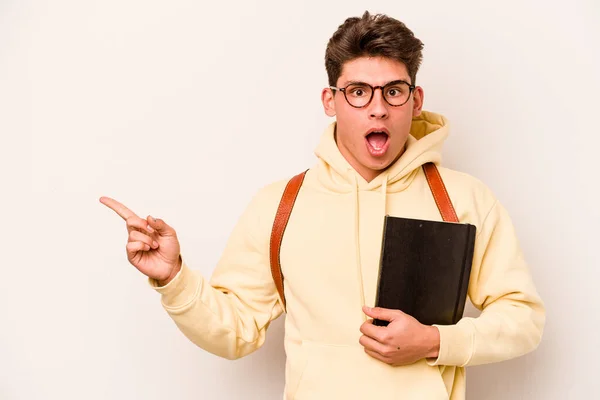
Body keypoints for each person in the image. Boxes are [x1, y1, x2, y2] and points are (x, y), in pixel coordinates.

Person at [100, 11, 545, 399]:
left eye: (394, 91)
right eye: (358, 92)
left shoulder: (465, 199)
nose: (378, 109)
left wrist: (433, 342)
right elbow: (235, 329)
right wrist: (173, 280)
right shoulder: (280, 205)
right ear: (331, 101)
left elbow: (523, 319)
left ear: (415, 99)